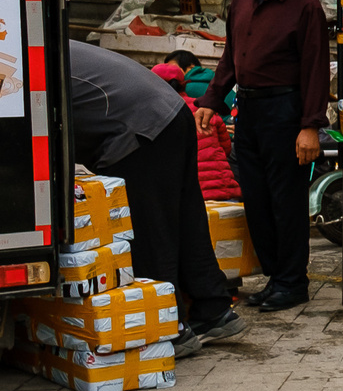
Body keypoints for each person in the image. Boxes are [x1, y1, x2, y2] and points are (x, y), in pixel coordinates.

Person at [65, 41, 245, 356]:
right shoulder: (49, 44)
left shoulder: (29, 57)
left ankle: (169, 327)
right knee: (187, 219)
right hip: (172, 113)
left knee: (150, 230)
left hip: (139, 128)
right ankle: (213, 308)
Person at [208, 0, 330, 312]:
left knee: (286, 201)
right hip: (249, 110)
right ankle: (276, 277)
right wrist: (212, 99)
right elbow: (232, 55)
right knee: (256, 200)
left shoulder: (305, 5)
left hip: (286, 110)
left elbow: (315, 68)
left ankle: (293, 282)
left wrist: (309, 126)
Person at [154, 61, 240, 200]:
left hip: (189, 192)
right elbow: (226, 148)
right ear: (184, 83)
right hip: (223, 186)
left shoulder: (155, 112)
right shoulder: (203, 108)